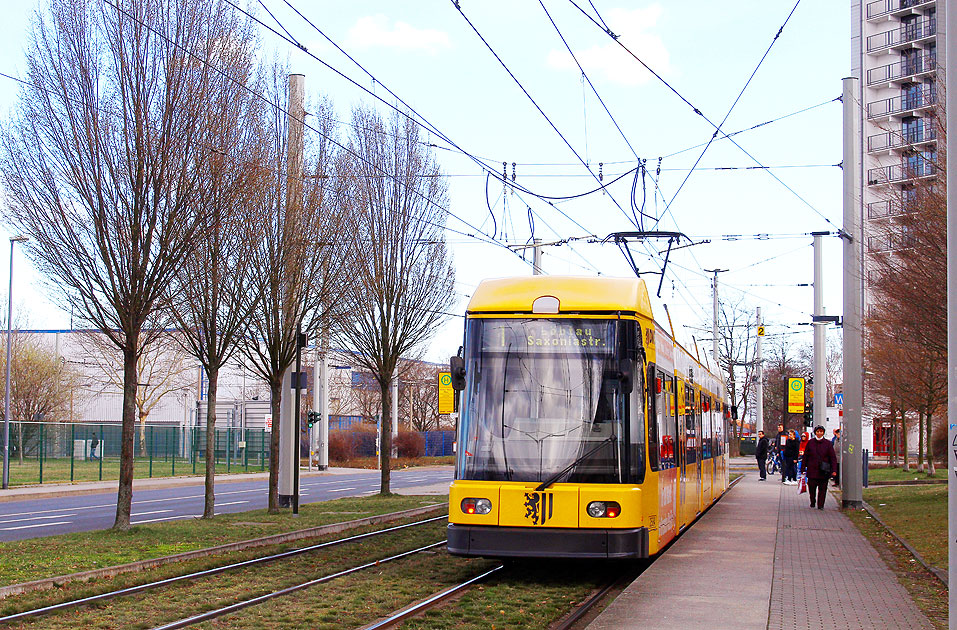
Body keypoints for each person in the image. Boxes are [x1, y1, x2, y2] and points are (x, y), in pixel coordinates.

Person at [801, 425, 838, 509]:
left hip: (823, 470)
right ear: (815, 432)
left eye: (821, 432)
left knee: (823, 489)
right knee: (812, 488)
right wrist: (803, 468)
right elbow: (806, 456)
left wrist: (834, 470)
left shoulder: (828, 444)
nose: (819, 433)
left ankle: (821, 505)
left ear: (823, 433)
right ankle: (812, 501)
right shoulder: (810, 442)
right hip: (812, 470)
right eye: (818, 431)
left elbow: (832, 457)